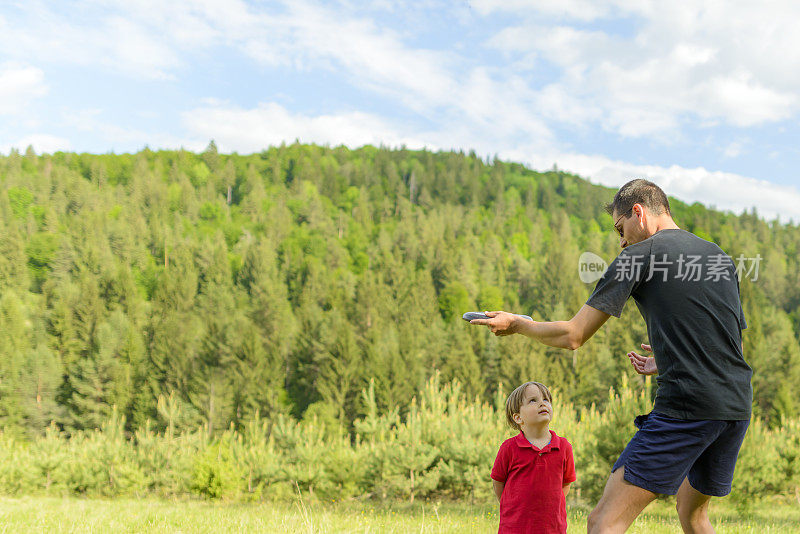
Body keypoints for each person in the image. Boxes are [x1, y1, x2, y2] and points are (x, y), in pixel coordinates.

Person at [471, 179, 752, 533]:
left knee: (603, 522)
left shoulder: (639, 255)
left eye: (621, 228)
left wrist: (518, 325)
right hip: (736, 407)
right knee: (693, 514)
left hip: (688, 407)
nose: (621, 240)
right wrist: (668, 360)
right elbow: (733, 347)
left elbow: (573, 335)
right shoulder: (718, 257)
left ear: (639, 213)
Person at [491, 381, 576, 534]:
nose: (542, 404)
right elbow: (498, 483)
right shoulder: (509, 448)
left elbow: (565, 483)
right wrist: (512, 506)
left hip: (553, 529)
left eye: (546, 399)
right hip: (515, 528)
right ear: (518, 418)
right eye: (533, 400)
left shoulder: (564, 447)